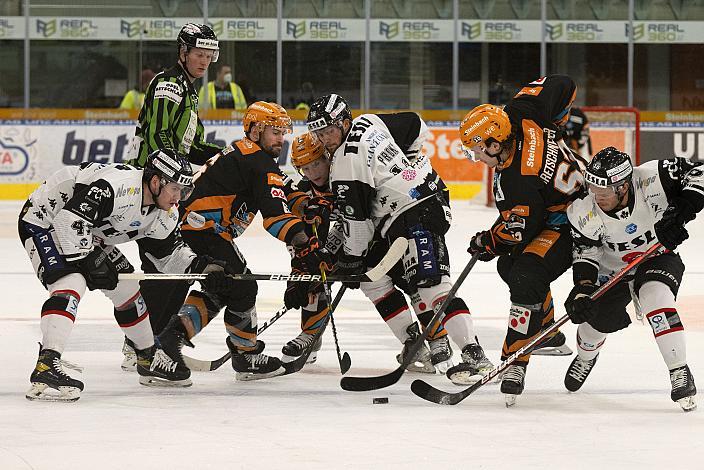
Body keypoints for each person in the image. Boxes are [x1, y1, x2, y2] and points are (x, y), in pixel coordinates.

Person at [306, 94, 493, 385]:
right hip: (413, 208)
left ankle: (475, 356)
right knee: (374, 277)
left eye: (327, 131)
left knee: (430, 286)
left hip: (414, 212)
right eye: (317, 133)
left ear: (343, 123)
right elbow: (417, 125)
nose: (323, 139)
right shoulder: (369, 122)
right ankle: (418, 344)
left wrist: (348, 260)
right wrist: (408, 167)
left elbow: (357, 226)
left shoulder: (345, 163)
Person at [20, 149, 230, 401]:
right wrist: (90, 262)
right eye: (175, 189)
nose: (179, 197)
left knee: (127, 289)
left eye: (184, 190)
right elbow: (68, 222)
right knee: (71, 281)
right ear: (155, 182)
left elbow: (168, 255)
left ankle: (147, 356)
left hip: (89, 231)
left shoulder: (165, 213)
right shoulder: (115, 188)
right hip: (46, 219)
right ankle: (46, 364)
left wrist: (203, 268)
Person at [152, 102, 330, 381]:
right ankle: (244, 354)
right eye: (275, 132)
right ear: (256, 130)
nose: (281, 140)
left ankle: (170, 342)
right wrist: (305, 243)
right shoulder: (256, 161)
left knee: (224, 287)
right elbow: (274, 216)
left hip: (197, 228)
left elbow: (281, 189)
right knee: (243, 286)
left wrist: (306, 205)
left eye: (283, 133)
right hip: (202, 230)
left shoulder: (249, 155)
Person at [459, 75, 583, 405]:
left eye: (477, 151)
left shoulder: (519, 178)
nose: (477, 158)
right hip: (553, 207)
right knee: (510, 266)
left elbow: (519, 230)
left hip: (578, 221)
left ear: (496, 144)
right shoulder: (519, 113)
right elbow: (562, 83)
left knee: (525, 273)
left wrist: (488, 241)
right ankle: (547, 333)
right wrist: (558, 125)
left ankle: (515, 359)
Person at [281, 132, 435, 373]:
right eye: (305, 168)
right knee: (315, 271)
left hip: (384, 230)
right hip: (351, 238)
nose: (313, 172)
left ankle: (435, 341)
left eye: (316, 163)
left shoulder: (347, 170)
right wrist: (299, 273)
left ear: (327, 155)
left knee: (411, 281)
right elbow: (305, 237)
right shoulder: (305, 192)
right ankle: (311, 334)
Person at [121, 23, 227, 370]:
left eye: (210, 56)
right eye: (199, 54)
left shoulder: (187, 88)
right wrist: (177, 183)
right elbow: (160, 140)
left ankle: (144, 340)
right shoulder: (170, 85)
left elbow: (188, 146)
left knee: (167, 266)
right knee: (165, 266)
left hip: (162, 189)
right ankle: (141, 343)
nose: (204, 61)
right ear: (183, 52)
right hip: (149, 191)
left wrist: (222, 155)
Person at [564, 147, 701, 412]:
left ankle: (679, 370)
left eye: (603, 193)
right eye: (593, 188)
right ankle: (585, 357)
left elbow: (701, 173)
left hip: (657, 257)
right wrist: (582, 289)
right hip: (612, 273)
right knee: (595, 325)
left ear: (623, 187)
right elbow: (586, 252)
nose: (596, 196)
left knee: (656, 299)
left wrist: (681, 210)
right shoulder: (584, 210)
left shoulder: (655, 177)